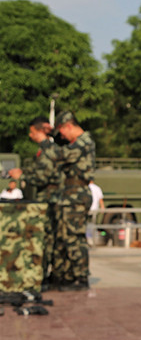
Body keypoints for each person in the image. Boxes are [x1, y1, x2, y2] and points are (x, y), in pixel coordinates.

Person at [34, 111, 95, 291]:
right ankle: (67, 276)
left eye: (62, 132)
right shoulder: (77, 142)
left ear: (69, 125)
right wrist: (52, 135)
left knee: (73, 237)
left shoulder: (84, 142)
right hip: (70, 195)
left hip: (77, 195)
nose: (62, 136)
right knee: (64, 236)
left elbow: (60, 155)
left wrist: (45, 141)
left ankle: (81, 277)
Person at [9, 116, 65, 287]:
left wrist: (23, 176)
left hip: (49, 200)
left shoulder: (48, 150)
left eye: (32, 131)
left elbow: (45, 176)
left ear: (39, 131)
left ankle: (45, 277)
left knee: (46, 239)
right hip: (47, 199)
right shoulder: (45, 150)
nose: (29, 135)